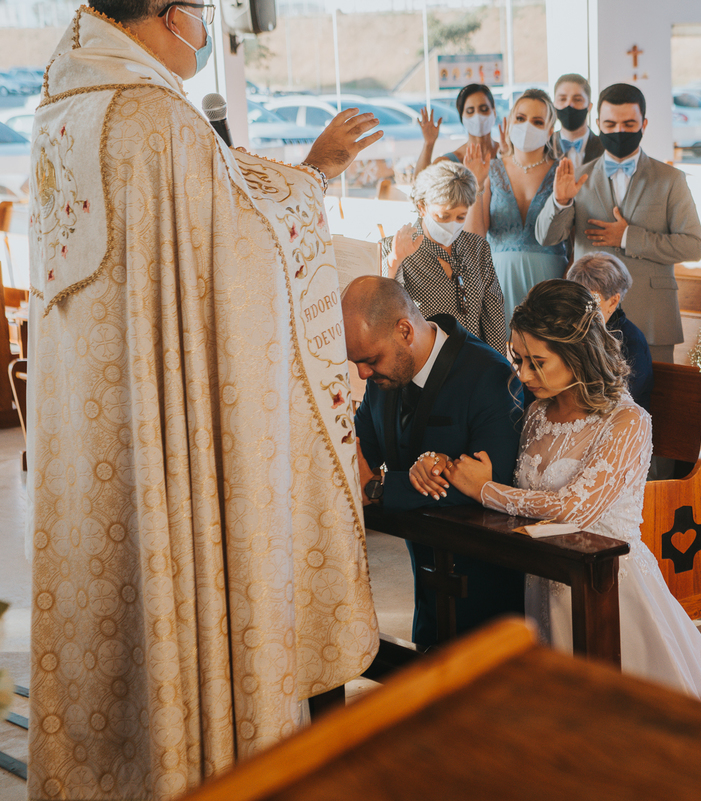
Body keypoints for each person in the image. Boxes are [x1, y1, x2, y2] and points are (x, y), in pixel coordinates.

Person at [26, 3, 383, 797]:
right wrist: (312, 182)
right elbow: (243, 248)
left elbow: (214, 208)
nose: (206, 28)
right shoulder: (155, 119)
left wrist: (298, 173)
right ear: (168, 12)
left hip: (97, 436)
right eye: (202, 10)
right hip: (164, 426)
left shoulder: (63, 107)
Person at [442, 279, 701, 727]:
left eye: (537, 362)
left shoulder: (627, 421)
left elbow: (572, 507)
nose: (522, 374)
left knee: (635, 716)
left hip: (609, 583)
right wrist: (441, 465)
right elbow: (525, 492)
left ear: (577, 354)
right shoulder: (539, 413)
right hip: (544, 576)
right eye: (518, 358)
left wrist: (482, 488)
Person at [344, 276, 525, 649]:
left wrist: (378, 488)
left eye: (370, 360)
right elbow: (361, 450)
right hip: (427, 591)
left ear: (405, 330)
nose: (361, 374)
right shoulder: (384, 379)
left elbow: (491, 485)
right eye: (356, 362)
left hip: (491, 598)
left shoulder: (489, 376)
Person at [536, 82, 701, 364]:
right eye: (610, 124)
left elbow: (694, 246)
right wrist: (561, 201)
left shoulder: (671, 179)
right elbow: (546, 237)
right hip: (589, 320)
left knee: (654, 404)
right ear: (598, 123)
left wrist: (628, 237)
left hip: (653, 317)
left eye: (629, 123)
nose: (618, 131)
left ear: (644, 123)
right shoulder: (578, 176)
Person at [381, 160, 508, 354]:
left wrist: (498, 368)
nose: (452, 225)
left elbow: (494, 314)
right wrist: (394, 262)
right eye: (444, 216)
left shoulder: (477, 247)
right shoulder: (393, 248)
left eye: (460, 217)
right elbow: (383, 311)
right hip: (423, 367)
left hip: (473, 365)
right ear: (421, 206)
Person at [464, 88, 568, 319]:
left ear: (550, 130)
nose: (527, 126)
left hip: (550, 282)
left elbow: (573, 240)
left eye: (537, 121)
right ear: (509, 123)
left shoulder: (562, 172)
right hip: (499, 280)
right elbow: (475, 237)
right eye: (520, 118)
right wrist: (477, 186)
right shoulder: (491, 169)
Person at [566, 252, 654, 410]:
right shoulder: (568, 328)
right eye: (574, 299)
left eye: (588, 301)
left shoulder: (632, 341)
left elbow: (618, 399)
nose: (578, 309)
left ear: (613, 301)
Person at [414, 82, 501, 174]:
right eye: (470, 111)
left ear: (494, 112)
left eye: (484, 109)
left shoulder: (507, 153)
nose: (477, 116)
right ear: (462, 117)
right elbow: (420, 183)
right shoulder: (451, 162)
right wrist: (429, 144)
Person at [553, 73, 605, 169]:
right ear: (554, 105)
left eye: (577, 99)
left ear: (589, 106)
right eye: (562, 99)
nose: (569, 104)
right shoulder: (544, 147)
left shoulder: (605, 147)